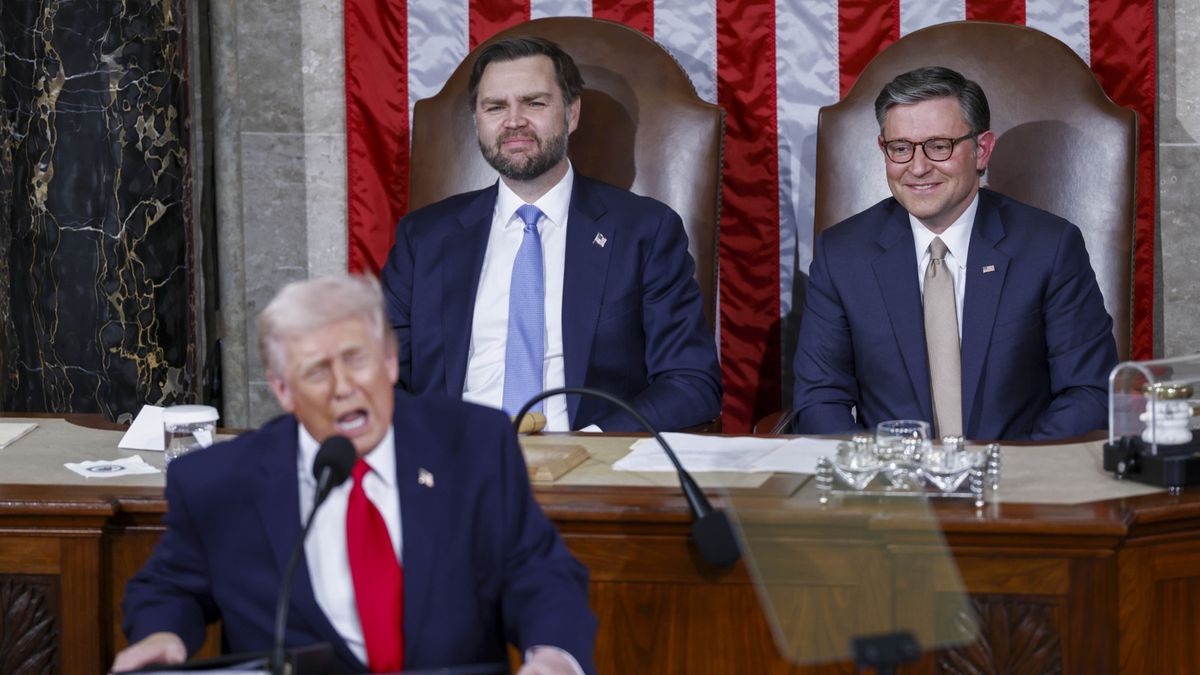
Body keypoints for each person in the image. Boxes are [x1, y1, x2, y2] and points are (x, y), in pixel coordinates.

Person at [114, 275, 596, 674]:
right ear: (282, 390)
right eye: (318, 371)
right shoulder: (220, 482)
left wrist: (553, 655)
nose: (344, 387)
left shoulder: (474, 446)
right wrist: (162, 635)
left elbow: (538, 571)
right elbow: (171, 586)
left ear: (389, 359)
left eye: (356, 359)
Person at [380, 36, 721, 432]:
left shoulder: (645, 232)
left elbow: (691, 382)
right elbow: (381, 378)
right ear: (478, 121)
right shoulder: (424, 238)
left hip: (589, 467)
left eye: (534, 103)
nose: (513, 121)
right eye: (495, 107)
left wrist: (594, 447)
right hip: (456, 464)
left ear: (571, 114)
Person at [791, 66, 1118, 441]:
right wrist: (880, 479)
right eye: (901, 148)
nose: (917, 167)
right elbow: (819, 400)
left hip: (1015, 483)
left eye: (939, 146)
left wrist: (1010, 474)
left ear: (982, 149)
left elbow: (1089, 392)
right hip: (894, 489)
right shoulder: (843, 255)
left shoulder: (1050, 247)